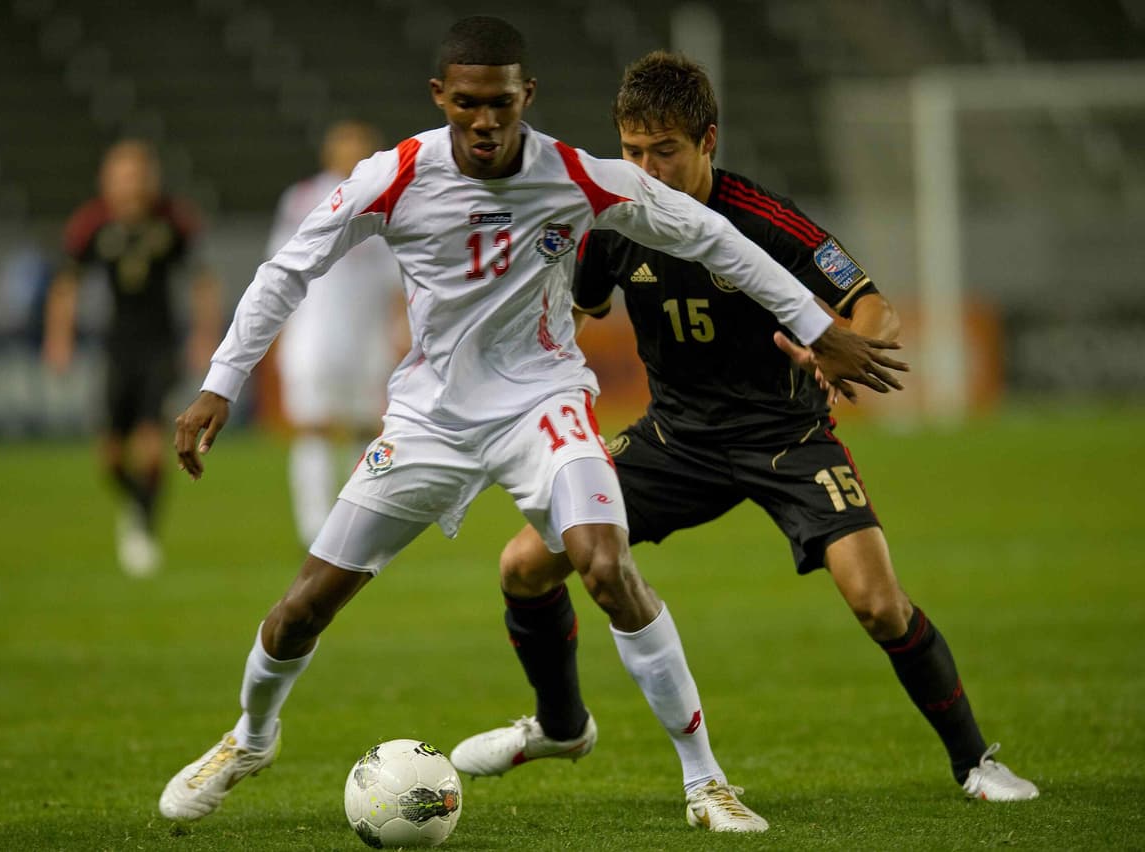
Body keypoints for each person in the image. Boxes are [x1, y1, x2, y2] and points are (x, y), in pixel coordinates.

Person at [159, 17, 904, 833]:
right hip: (429, 418)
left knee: (605, 564)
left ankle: (706, 783)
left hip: (542, 406)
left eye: (503, 105)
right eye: (468, 105)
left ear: (527, 97)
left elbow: (714, 236)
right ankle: (249, 739)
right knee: (303, 606)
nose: (486, 123)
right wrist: (221, 384)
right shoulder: (395, 174)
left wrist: (819, 323)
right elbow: (287, 269)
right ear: (442, 97)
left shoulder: (576, 177)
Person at [449, 51, 1038, 807]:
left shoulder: (764, 220)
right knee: (524, 565)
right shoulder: (616, 222)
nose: (647, 168)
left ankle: (974, 762)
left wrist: (841, 347)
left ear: (709, 143)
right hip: (674, 440)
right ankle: (562, 725)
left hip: (786, 438)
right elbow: (570, 312)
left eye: (666, 150)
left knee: (877, 603)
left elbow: (870, 305)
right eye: (632, 151)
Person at [43, 139, 222, 577]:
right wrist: (59, 338)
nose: (131, 186)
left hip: (161, 348)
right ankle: (136, 508)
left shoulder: (173, 221)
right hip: (116, 348)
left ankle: (142, 529)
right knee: (109, 457)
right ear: (107, 182)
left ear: (151, 179)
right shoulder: (92, 224)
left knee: (150, 446)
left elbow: (203, 282)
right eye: (122, 177)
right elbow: (66, 285)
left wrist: (205, 336)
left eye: (138, 176)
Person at [266, 121, 404, 547]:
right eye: (345, 147)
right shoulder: (305, 199)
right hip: (314, 333)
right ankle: (313, 526)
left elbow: (397, 278)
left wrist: (401, 330)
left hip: (368, 337)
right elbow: (279, 267)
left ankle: (356, 522)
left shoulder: (389, 199)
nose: (353, 155)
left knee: (367, 428)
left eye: (361, 148)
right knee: (314, 427)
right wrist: (274, 330)